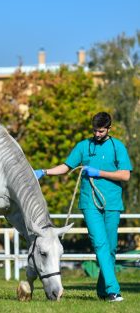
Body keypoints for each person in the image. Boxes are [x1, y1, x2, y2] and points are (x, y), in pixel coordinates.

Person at [35, 112, 132, 302]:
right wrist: (43, 172)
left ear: (109, 129)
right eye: (95, 130)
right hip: (89, 203)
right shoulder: (83, 146)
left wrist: (99, 172)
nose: (97, 134)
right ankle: (113, 290)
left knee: (110, 249)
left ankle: (102, 290)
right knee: (100, 244)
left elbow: (125, 175)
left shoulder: (117, 147)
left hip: (112, 204)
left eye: (101, 131)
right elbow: (65, 166)